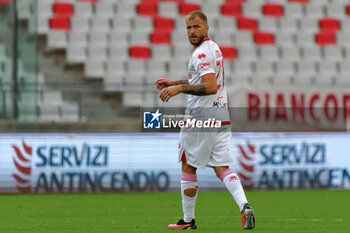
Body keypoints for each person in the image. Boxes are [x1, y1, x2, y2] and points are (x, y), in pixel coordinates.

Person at [154, 10, 255, 230]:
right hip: (220, 116)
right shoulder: (214, 48)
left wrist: (179, 88)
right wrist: (176, 81)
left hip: (200, 118)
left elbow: (210, 87)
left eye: (196, 27)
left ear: (206, 28)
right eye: (189, 28)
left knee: (188, 165)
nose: (192, 31)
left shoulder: (200, 54)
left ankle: (188, 220)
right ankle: (244, 206)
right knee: (221, 167)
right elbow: (202, 79)